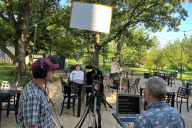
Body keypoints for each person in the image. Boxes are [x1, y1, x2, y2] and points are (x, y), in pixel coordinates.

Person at [18, 58, 59, 128]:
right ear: (43, 73)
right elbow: (31, 127)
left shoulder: (38, 88)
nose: (53, 72)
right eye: (52, 71)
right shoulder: (33, 96)